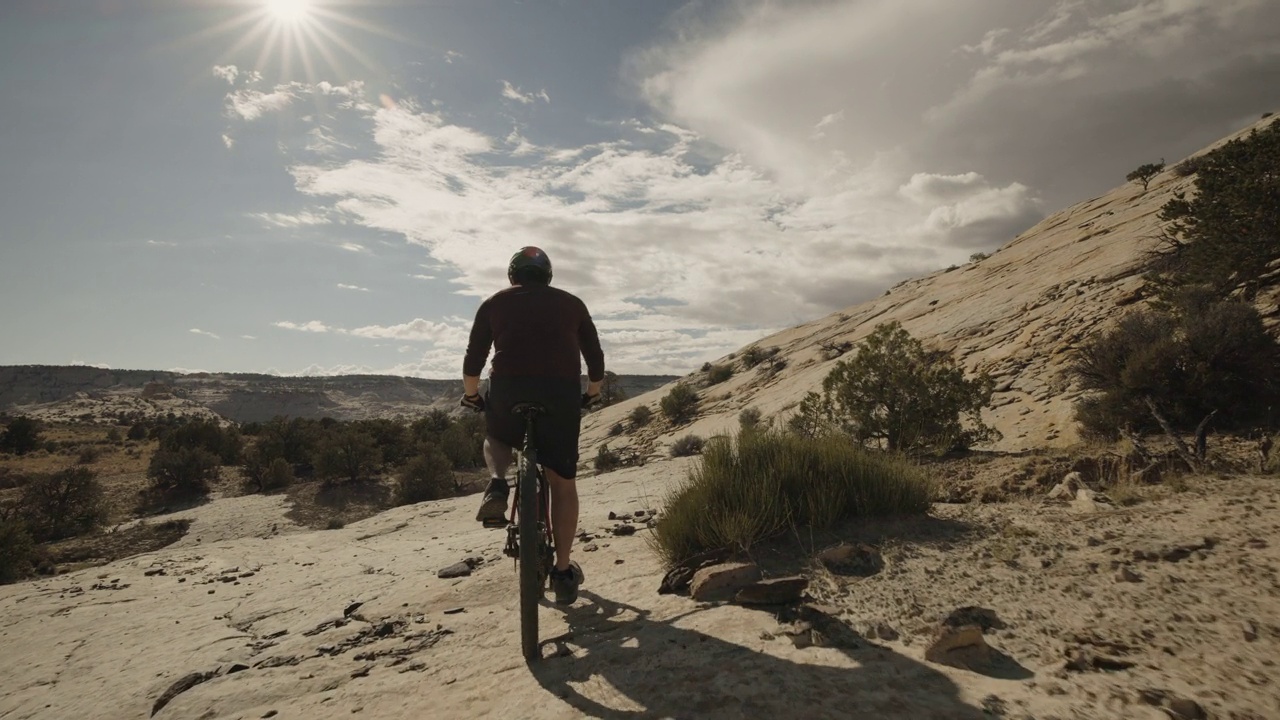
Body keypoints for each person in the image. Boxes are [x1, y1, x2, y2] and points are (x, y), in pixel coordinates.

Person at [460, 246, 605, 605]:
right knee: (562, 481)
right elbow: (596, 359)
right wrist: (591, 394)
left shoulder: (494, 303)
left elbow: (473, 359)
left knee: (496, 434)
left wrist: (473, 396)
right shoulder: (572, 303)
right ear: (548, 275)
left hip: (510, 388)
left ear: (513, 275)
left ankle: (497, 484)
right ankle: (563, 570)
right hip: (560, 393)